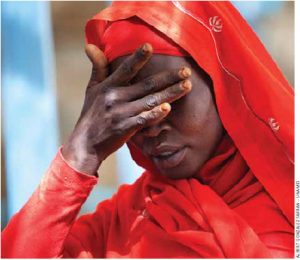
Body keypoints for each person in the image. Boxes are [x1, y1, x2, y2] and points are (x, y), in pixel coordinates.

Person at [1, 1, 294, 258]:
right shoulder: (123, 222)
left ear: (221, 85)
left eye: (172, 96)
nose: (152, 124)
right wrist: (80, 155)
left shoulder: (287, 195)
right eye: (134, 106)